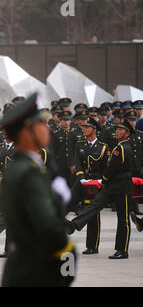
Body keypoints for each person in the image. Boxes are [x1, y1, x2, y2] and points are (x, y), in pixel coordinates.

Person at [0, 93, 76, 287]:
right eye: (41, 124)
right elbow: (48, 228)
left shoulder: (18, 167)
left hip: (22, 267)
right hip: (37, 271)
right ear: (27, 132)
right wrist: (70, 257)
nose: (47, 128)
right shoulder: (30, 174)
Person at [65, 119, 134, 259]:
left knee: (123, 220)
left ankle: (122, 250)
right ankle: (74, 225)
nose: (117, 131)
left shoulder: (123, 148)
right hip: (110, 185)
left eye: (121, 130)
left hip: (121, 187)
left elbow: (111, 168)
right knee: (94, 206)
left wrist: (103, 180)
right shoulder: (117, 146)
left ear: (127, 134)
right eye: (117, 129)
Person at [67, 117, 109, 254]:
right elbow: (78, 163)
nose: (83, 129)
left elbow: (105, 168)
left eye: (87, 127)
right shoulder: (80, 144)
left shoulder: (103, 147)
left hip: (95, 184)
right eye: (83, 127)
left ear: (94, 129)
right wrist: (81, 178)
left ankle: (92, 246)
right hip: (82, 182)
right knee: (66, 204)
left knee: (92, 214)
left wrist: (101, 181)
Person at [51, 111, 76, 186]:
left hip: (72, 165)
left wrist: (74, 163)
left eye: (68, 120)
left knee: (72, 185)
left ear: (70, 121)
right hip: (60, 165)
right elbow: (54, 150)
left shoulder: (73, 134)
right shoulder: (56, 135)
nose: (66, 122)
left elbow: (76, 150)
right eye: (64, 120)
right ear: (61, 121)